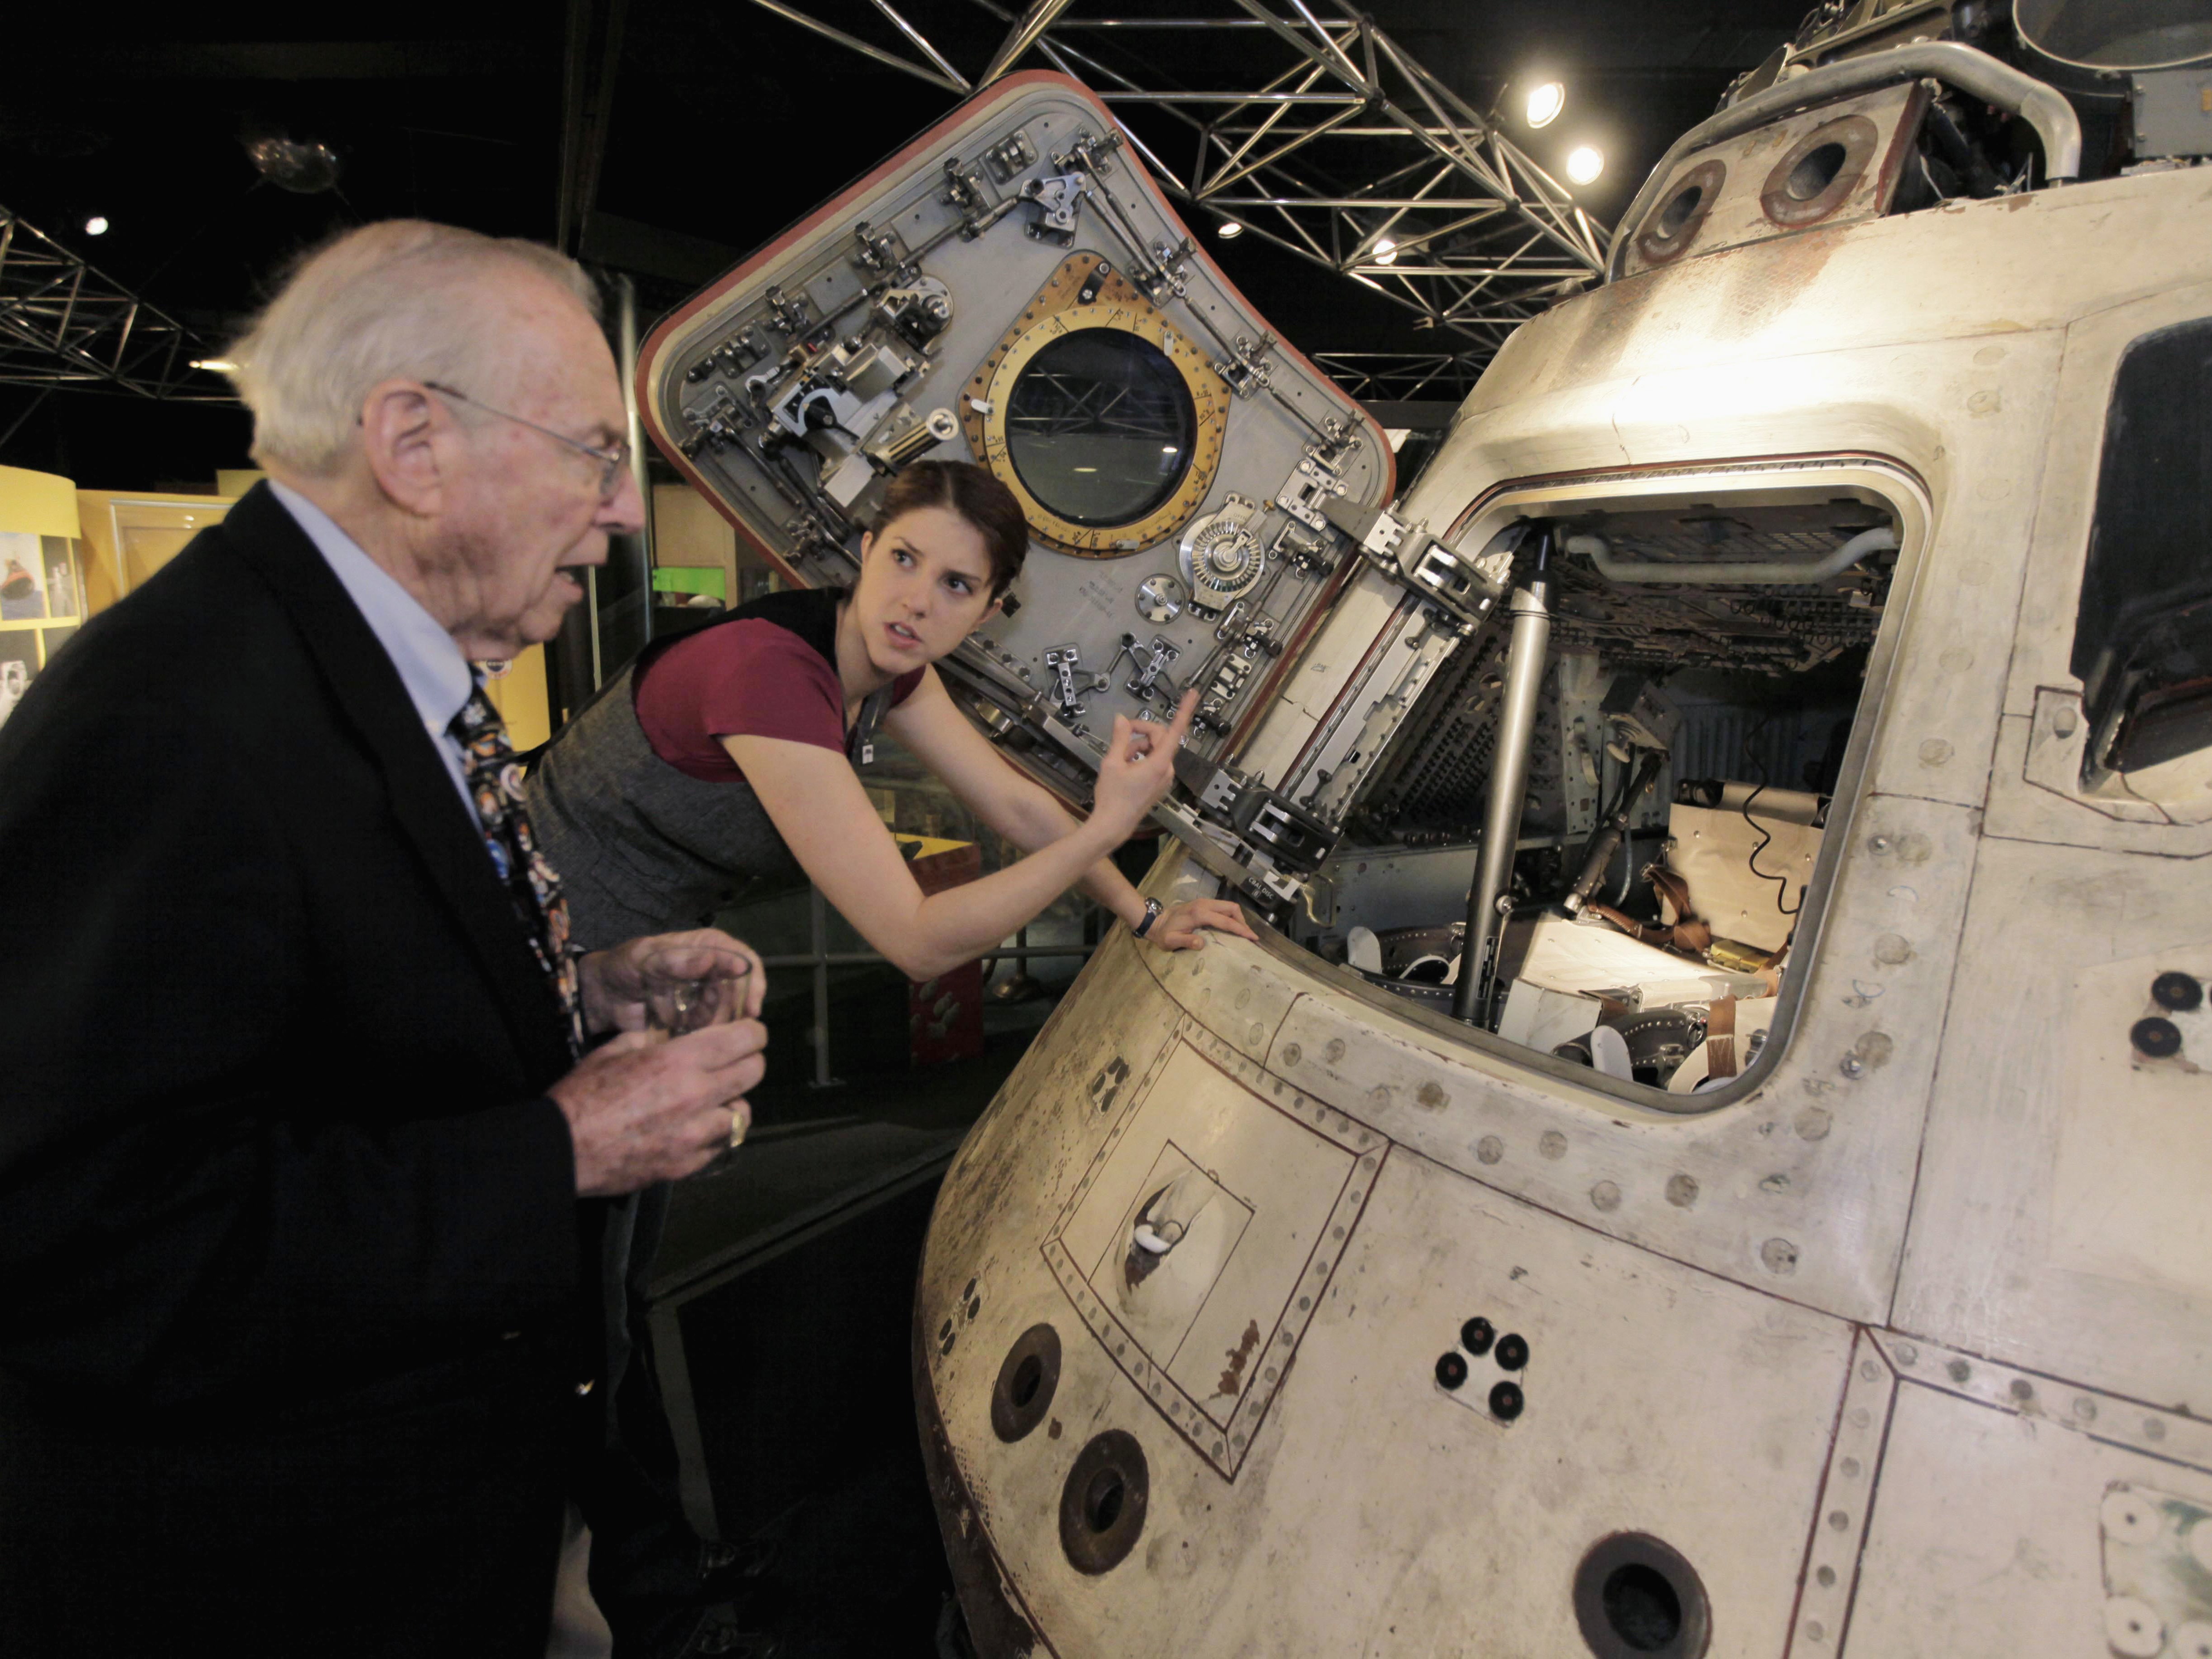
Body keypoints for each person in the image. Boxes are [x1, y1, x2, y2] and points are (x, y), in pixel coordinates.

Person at [0, 220, 771, 1656]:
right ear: (414, 443)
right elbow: (86, 1243)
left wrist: (572, 988)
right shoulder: (169, 722)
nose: (622, 512)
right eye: (592, 455)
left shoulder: (327, 669)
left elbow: (311, 1009)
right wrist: (561, 1148)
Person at [525, 458, 1254, 969]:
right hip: (522, 934)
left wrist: (1145, 915)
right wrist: (1108, 826)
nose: (916, 600)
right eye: (904, 558)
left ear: (985, 613)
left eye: (956, 584)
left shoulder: (894, 671)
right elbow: (917, 941)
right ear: (867, 551)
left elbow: (1017, 806)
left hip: (622, 953)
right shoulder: (768, 676)